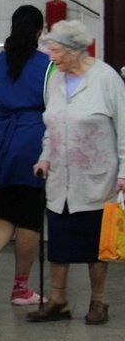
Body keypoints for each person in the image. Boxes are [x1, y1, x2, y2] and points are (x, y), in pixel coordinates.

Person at [29, 20, 125, 324]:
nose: (51, 57)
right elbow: (51, 126)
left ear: (74, 49)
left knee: (95, 244)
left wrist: (124, 173)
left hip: (98, 177)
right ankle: (58, 300)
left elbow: (124, 130)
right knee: (58, 239)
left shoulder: (106, 79)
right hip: (60, 176)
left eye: (55, 50)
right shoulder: (55, 79)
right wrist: (45, 157)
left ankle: (99, 302)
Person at [0, 5, 50, 306]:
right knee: (29, 218)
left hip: (0, 139)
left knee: (5, 212)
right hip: (32, 138)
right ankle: (20, 289)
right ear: (39, 31)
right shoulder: (48, 66)